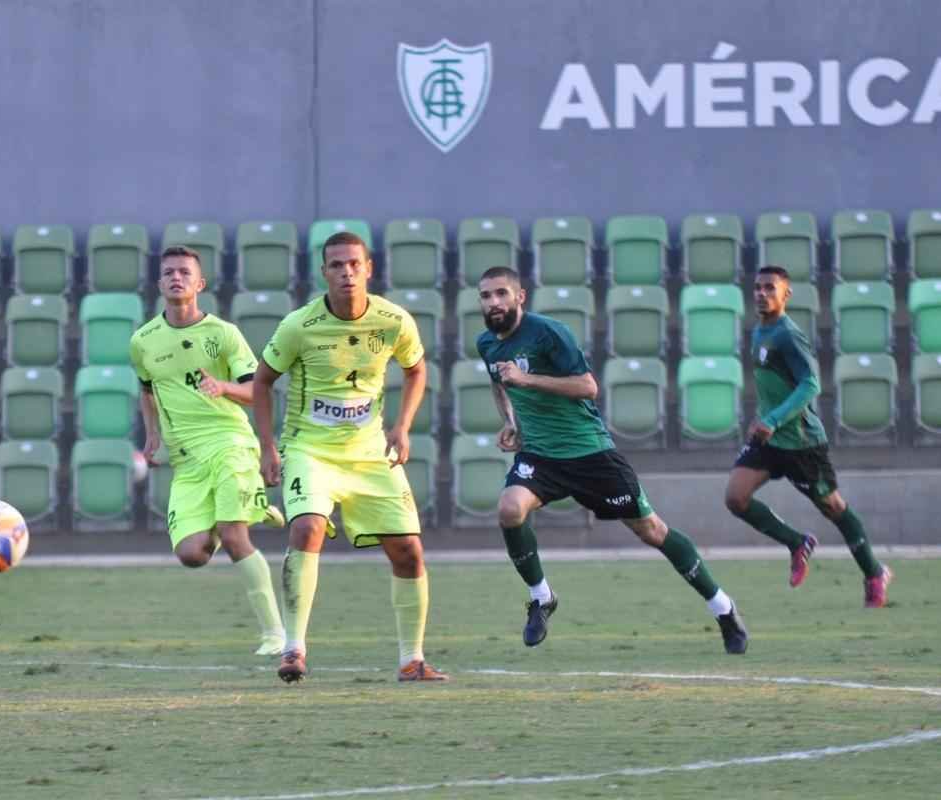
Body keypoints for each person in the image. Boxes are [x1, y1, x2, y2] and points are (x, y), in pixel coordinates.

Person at [475, 266, 748, 654]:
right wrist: (510, 421)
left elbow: (588, 386)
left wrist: (527, 379)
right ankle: (542, 597)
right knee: (509, 509)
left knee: (652, 530)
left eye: (502, 293)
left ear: (520, 296)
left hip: (590, 454)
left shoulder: (548, 333)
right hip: (540, 455)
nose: (494, 302)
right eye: (486, 295)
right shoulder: (486, 343)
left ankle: (723, 608)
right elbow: (498, 382)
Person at [252, 231, 447, 683]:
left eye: (354, 264)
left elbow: (416, 370)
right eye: (337, 265)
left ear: (369, 268)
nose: (347, 272)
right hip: (310, 450)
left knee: (409, 551)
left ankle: (412, 660)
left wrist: (402, 426)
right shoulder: (299, 325)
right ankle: (293, 649)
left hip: (369, 453)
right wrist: (267, 446)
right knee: (307, 527)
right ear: (324, 272)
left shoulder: (393, 320)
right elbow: (262, 382)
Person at [130, 245, 286, 655]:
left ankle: (275, 635)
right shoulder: (143, 341)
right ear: (159, 283)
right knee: (192, 554)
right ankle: (253, 506)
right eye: (169, 272)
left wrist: (224, 387)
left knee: (234, 537)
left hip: (228, 443)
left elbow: (258, 391)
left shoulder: (223, 334)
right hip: (187, 461)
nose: (176, 277)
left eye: (184, 272)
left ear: (200, 283)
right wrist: (152, 433)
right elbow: (147, 390)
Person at [725, 265, 892, 607]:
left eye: (770, 288)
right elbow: (774, 385)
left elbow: (810, 384)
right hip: (770, 440)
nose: (761, 294)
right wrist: (763, 418)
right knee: (735, 498)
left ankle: (874, 572)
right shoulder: (759, 331)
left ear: (786, 294)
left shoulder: (788, 335)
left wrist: (773, 419)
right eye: (757, 288)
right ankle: (797, 543)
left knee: (833, 507)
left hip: (801, 443)